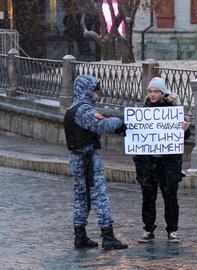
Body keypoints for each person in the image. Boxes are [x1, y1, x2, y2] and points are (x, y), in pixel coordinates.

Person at [64, 74, 128, 250]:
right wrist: (120, 123)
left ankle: (80, 235)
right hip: (88, 160)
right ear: (87, 90)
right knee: (99, 197)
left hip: (77, 159)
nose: (96, 95)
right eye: (94, 91)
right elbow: (102, 125)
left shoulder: (73, 108)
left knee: (81, 199)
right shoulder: (84, 110)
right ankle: (108, 236)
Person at [133, 77, 190, 244]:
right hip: (148, 163)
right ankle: (148, 229)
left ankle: (172, 230)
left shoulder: (173, 109)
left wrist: (184, 129)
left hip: (168, 163)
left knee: (170, 197)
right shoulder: (142, 111)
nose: (152, 94)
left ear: (163, 92)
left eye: (156, 91)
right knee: (148, 197)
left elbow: (183, 136)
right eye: (150, 91)